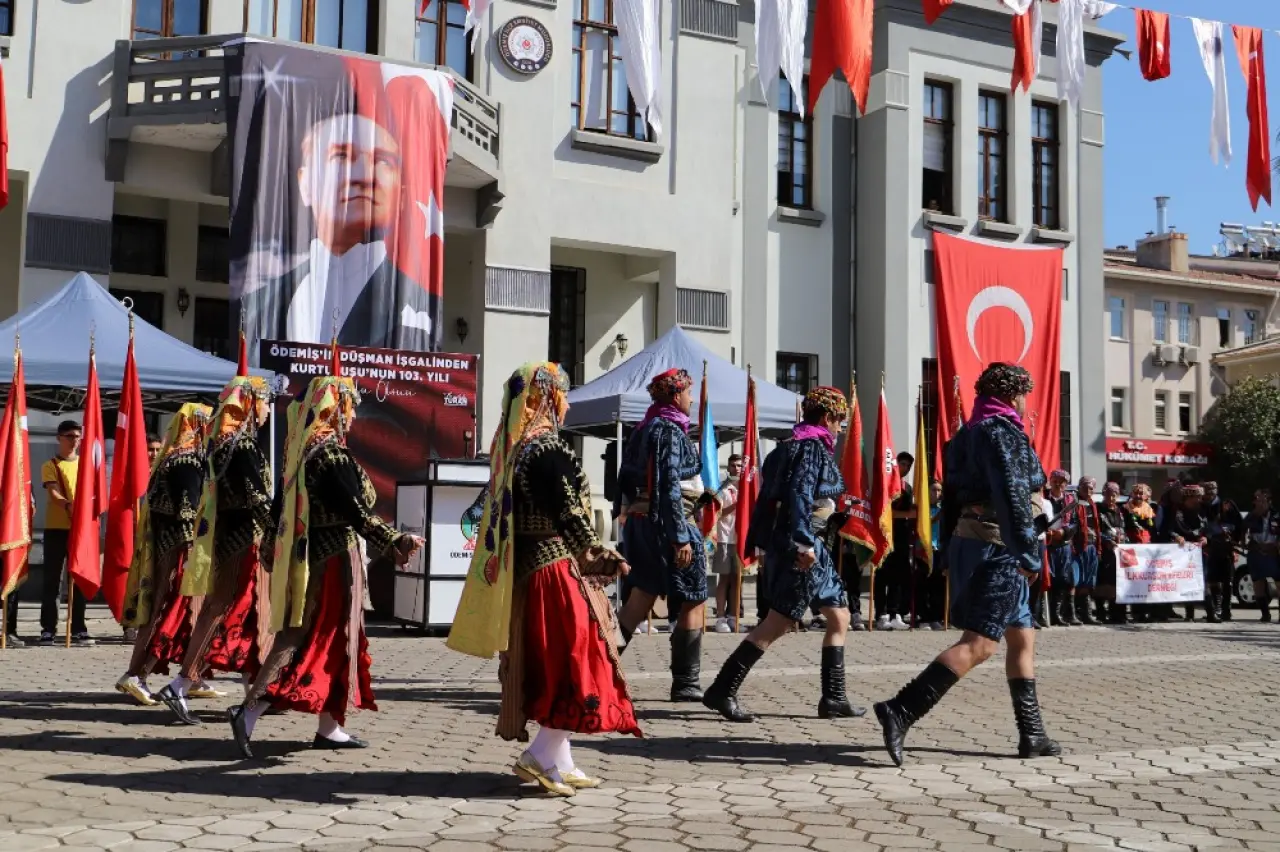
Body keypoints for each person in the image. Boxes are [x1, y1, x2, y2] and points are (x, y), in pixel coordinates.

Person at [446, 363, 639, 796]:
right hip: (555, 569)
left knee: (558, 657)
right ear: (550, 398)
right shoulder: (548, 451)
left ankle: (560, 759)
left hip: (532, 569)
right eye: (565, 395)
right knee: (575, 659)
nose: (568, 403)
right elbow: (567, 511)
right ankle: (539, 753)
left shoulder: (513, 450)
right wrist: (595, 553)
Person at [873, 363, 1058, 766]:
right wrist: (1026, 551)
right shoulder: (1002, 431)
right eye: (1024, 394)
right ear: (1014, 395)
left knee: (1022, 637)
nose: (1026, 402)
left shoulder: (967, 434)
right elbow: (1011, 492)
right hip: (1000, 545)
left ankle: (1033, 734)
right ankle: (901, 710)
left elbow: (954, 497)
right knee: (980, 643)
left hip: (975, 539)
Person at [229, 375, 424, 758]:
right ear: (335, 411)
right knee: (315, 639)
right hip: (335, 562)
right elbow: (357, 513)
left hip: (313, 558)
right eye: (348, 408)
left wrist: (270, 545)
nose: (352, 417)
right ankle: (249, 712)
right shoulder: (331, 456)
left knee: (330, 640)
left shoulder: (302, 455)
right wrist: (395, 540)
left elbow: (276, 512)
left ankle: (330, 726)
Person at [703, 386, 864, 723]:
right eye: (838, 420)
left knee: (840, 616)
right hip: (800, 546)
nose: (839, 427)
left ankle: (833, 697)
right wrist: (803, 544)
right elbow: (799, 495)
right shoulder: (810, 449)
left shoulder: (786, 449)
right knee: (778, 622)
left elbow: (767, 499)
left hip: (805, 543)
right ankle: (722, 689)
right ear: (825, 417)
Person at [236, 109, 439, 351]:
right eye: (341, 156)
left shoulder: (423, 310)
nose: (364, 176)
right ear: (306, 184)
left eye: (383, 161)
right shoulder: (259, 305)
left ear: (402, 197)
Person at [157, 376, 275, 725]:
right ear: (250, 403)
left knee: (247, 616)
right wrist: (277, 534)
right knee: (223, 609)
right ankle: (181, 684)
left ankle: (257, 687)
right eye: (265, 402)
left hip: (225, 539)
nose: (268, 410)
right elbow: (257, 499)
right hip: (244, 541)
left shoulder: (217, 444)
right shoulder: (241, 446)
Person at [614, 368, 708, 702]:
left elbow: (624, 478)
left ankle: (600, 669)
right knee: (695, 598)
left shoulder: (642, 428)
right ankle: (686, 683)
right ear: (675, 395)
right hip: (668, 524)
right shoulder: (668, 430)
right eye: (688, 392)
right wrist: (679, 536)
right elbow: (668, 485)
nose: (692, 399)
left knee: (641, 596)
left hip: (641, 521)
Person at [116, 405, 214, 705]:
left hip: (165, 545)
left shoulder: (169, 458)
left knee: (183, 612)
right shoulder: (188, 461)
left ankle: (194, 676)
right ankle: (136, 674)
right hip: (181, 548)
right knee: (168, 612)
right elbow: (190, 510)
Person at [39, 420, 93, 646]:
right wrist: (72, 507)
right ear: (59, 438)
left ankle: (79, 627)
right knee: (52, 580)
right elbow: (54, 493)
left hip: (80, 531)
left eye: (77, 437)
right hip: (56, 529)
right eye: (70, 436)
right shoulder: (50, 465)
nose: (74, 441)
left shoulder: (87, 465)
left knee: (79, 580)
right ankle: (48, 629)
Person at [876, 452, 915, 630]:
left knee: (898, 577)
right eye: (903, 464)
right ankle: (880, 614)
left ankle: (895, 613)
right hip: (885, 536)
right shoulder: (885, 485)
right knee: (882, 576)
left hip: (901, 537)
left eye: (908, 466)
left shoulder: (908, 488)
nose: (905, 468)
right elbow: (883, 512)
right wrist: (905, 515)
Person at [1160, 483, 1208, 622]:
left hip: (1198, 551)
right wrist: (1177, 536)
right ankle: (1186, 614)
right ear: (1188, 497)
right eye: (1196, 497)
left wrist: (1205, 538)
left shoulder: (1202, 511)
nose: (1199, 500)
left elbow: (1206, 528)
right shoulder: (1176, 511)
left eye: (1200, 497)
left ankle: (1208, 612)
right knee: (1183, 582)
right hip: (1181, 552)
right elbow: (1169, 529)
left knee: (1201, 581)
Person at [1041, 470, 1079, 627]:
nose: (1058, 483)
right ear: (1050, 480)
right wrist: (1048, 532)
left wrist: (1063, 532)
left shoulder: (1071, 501)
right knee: (1046, 579)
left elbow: (1075, 522)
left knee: (1063, 580)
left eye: (1062, 481)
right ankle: (1042, 614)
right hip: (1046, 544)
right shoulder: (1043, 497)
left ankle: (1057, 614)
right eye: (1055, 480)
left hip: (1063, 544)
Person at [712, 455, 743, 633]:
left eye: (739, 465)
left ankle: (733, 616)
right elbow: (718, 513)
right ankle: (720, 617)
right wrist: (738, 505)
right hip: (724, 538)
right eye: (733, 465)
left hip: (740, 539)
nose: (736, 468)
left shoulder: (746, 488)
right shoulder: (723, 488)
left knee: (736, 579)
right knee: (724, 579)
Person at [1202, 483, 1242, 623]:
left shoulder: (1227, 504)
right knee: (1213, 579)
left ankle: (1226, 611)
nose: (1209, 493)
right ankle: (1216, 608)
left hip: (1226, 547)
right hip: (1211, 548)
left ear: (1216, 490)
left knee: (1227, 581)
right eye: (1206, 491)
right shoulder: (1202, 506)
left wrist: (1235, 542)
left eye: (1212, 490)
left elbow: (1239, 524)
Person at [1094, 482, 1128, 625]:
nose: (1111, 498)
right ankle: (1101, 613)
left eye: (1114, 495)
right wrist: (1107, 540)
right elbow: (1095, 529)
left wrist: (1123, 539)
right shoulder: (1098, 509)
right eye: (1108, 494)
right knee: (1103, 583)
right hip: (1104, 550)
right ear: (1104, 494)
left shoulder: (1120, 511)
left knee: (1119, 582)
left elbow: (1124, 528)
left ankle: (1118, 614)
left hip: (1119, 551)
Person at [1070, 477, 1102, 626]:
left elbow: (1097, 528)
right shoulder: (1073, 503)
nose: (1088, 491)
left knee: (1089, 582)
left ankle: (1086, 613)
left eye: (1091, 488)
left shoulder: (1093, 504)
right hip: (1078, 547)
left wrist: (1099, 548)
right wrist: (1072, 546)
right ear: (1080, 487)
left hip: (1092, 546)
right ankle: (1071, 613)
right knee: (1075, 580)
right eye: (1085, 487)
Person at [1244, 489, 1279, 623]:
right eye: (1258, 500)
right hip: (1256, 553)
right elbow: (1242, 532)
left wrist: (1274, 545)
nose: (1260, 503)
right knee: (1258, 583)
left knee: (1278, 583)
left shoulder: (1277, 515)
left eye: (1263, 501)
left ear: (1269, 502)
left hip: (1273, 553)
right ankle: (1265, 614)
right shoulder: (1251, 516)